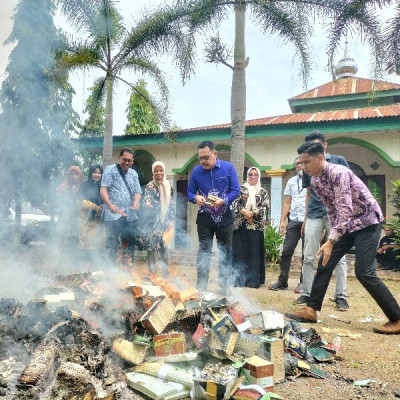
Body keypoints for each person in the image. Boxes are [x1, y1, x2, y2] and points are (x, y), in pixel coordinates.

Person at [285, 141, 400, 334]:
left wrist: (330, 241)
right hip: (347, 225)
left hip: (367, 221)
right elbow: (331, 210)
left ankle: (396, 318)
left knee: (364, 272)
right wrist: (332, 238)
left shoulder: (339, 173)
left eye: (306, 162)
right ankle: (311, 309)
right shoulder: (315, 181)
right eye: (301, 163)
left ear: (320, 158)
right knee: (325, 261)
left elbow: (345, 210)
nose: (303, 167)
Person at [296, 131, 349, 311]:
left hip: (335, 216)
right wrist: (304, 219)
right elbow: (309, 193)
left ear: (324, 146)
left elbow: (347, 189)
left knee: (338, 256)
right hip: (314, 213)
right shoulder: (307, 164)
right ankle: (307, 293)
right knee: (309, 255)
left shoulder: (339, 161)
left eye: (316, 145)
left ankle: (341, 296)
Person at [187, 140, 240, 295]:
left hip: (225, 218)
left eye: (206, 157)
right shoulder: (196, 172)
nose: (203, 161)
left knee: (226, 252)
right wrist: (195, 198)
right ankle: (201, 286)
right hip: (204, 218)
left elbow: (236, 190)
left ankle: (224, 286)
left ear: (215, 154)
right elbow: (190, 193)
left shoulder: (228, 168)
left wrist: (223, 200)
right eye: (200, 158)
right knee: (204, 251)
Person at [268, 156, 305, 291]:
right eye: (297, 164)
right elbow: (287, 202)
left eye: (301, 163)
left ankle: (303, 283)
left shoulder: (313, 180)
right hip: (294, 221)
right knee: (286, 251)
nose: (299, 166)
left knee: (306, 254)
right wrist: (282, 221)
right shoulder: (291, 181)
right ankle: (282, 281)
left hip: (309, 221)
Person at [100, 148, 142, 267]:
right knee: (111, 243)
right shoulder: (110, 170)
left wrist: (137, 202)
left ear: (132, 161)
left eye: (129, 160)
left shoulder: (133, 174)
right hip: (112, 213)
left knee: (129, 243)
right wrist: (109, 205)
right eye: (124, 160)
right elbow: (103, 189)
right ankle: (109, 269)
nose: (127, 163)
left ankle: (127, 268)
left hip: (128, 214)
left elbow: (138, 192)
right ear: (119, 158)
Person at [232, 167, 269, 288]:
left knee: (254, 253)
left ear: (259, 177)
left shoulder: (263, 192)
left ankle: (253, 280)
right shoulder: (240, 189)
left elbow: (266, 208)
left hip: (255, 226)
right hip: (241, 226)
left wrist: (252, 213)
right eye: (251, 175)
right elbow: (235, 203)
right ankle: (240, 280)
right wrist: (245, 212)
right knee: (240, 252)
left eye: (255, 175)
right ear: (247, 176)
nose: (253, 177)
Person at [141, 161, 174, 277]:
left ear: (164, 171)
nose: (158, 173)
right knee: (152, 249)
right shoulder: (150, 185)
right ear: (153, 172)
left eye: (161, 170)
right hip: (153, 223)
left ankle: (165, 277)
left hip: (165, 223)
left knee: (164, 249)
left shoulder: (168, 185)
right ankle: (152, 276)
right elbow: (148, 197)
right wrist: (148, 202)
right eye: (156, 171)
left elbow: (170, 204)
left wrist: (171, 220)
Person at [77, 165, 105, 253]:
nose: (97, 175)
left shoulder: (104, 187)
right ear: (91, 173)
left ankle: (94, 262)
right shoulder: (85, 185)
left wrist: (103, 206)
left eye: (99, 173)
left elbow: (107, 200)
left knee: (96, 241)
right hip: (84, 217)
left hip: (98, 218)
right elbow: (79, 200)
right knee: (84, 240)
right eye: (95, 172)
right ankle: (82, 262)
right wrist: (93, 206)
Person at [56, 166, 83, 246]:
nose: (74, 176)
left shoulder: (83, 187)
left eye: (76, 174)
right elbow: (57, 200)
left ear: (79, 175)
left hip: (79, 216)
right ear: (69, 175)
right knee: (63, 236)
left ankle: (74, 256)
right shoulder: (62, 187)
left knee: (76, 237)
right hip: (65, 216)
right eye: (72, 174)